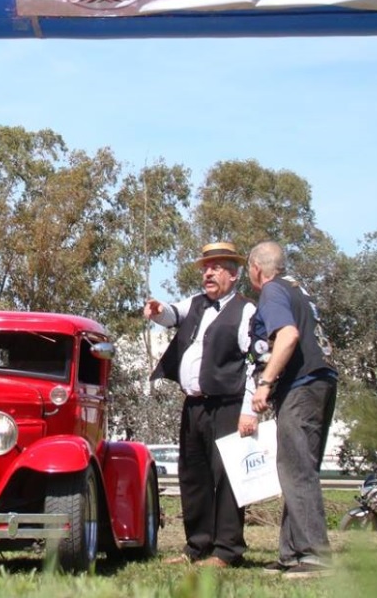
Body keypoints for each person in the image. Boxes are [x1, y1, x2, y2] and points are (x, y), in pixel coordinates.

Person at [145, 241, 258, 568]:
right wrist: (157, 309)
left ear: (234, 275)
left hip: (227, 406)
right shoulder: (195, 303)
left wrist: (250, 409)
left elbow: (254, 362)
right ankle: (197, 547)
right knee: (192, 476)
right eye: (206, 267)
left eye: (217, 267)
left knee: (227, 478)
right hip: (193, 407)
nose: (208, 272)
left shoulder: (245, 310)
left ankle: (227, 551)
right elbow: (171, 314)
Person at [247, 240, 337, 579]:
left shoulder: (271, 292)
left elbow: (287, 335)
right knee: (296, 464)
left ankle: (315, 554)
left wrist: (266, 382)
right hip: (321, 380)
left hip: (301, 384)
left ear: (256, 269)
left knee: (297, 468)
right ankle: (291, 552)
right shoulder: (298, 289)